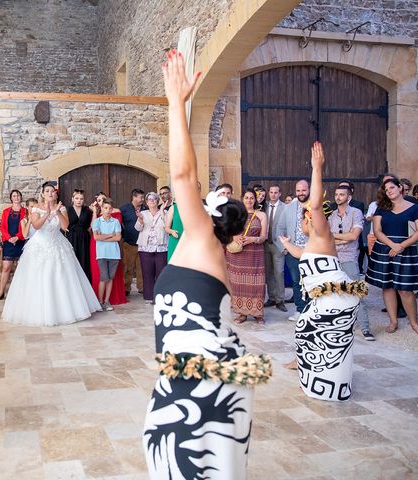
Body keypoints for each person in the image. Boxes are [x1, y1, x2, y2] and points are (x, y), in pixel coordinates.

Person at [143, 50, 271, 479]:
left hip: (200, 381)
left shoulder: (200, 239)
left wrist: (176, 106)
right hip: (194, 374)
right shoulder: (198, 247)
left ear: (210, 216)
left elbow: (182, 177)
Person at [279, 142, 367, 401]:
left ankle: (319, 380)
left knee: (308, 329)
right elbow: (301, 255)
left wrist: (317, 168)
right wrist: (286, 244)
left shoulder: (322, 231)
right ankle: (315, 377)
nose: (305, 221)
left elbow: (315, 204)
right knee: (311, 332)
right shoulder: (313, 244)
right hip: (332, 297)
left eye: (306, 218)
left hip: (336, 297)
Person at [2, 182, 101, 326]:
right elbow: (36, 226)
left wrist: (57, 212)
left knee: (61, 275)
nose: (50, 193)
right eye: (47, 191)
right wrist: (47, 214)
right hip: (39, 244)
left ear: (55, 194)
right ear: (42, 194)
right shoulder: (36, 208)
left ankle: (64, 310)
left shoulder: (61, 207)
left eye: (52, 191)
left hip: (57, 243)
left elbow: (65, 226)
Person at [365, 177, 418, 334]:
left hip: (406, 250)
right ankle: (393, 321)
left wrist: (401, 246)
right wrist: (392, 245)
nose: (389, 191)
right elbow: (377, 231)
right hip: (385, 249)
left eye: (392, 188)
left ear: (400, 188)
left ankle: (414, 322)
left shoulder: (415, 208)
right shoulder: (381, 208)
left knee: (405, 289)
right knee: (387, 286)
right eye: (386, 190)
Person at [329, 185, 374, 340]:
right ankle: (341, 325)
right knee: (335, 293)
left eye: (341, 194)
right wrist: (341, 237)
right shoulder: (331, 215)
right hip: (333, 258)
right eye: (336, 194)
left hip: (349, 258)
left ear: (348, 197)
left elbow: (354, 236)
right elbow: (327, 237)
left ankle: (366, 328)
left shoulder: (356, 212)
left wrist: (336, 237)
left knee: (356, 292)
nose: (338, 197)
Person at [226, 189, 267, 324]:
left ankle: (257, 314)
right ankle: (242, 314)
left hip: (255, 254)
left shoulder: (261, 215)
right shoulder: (236, 214)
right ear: (242, 199)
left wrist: (252, 240)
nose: (249, 200)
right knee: (238, 283)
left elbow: (264, 236)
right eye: (246, 198)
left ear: (255, 200)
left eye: (252, 198)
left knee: (257, 283)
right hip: (237, 255)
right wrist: (234, 236)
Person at [275, 179, 311, 322]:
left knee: (312, 281)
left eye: (303, 190)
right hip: (292, 251)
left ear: (309, 190)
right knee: (297, 282)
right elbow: (280, 228)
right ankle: (300, 310)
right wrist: (284, 248)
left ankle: (312, 310)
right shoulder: (289, 207)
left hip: (311, 251)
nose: (301, 193)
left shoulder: (315, 206)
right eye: (298, 190)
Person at [90, 193, 127, 305]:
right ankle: (100, 301)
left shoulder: (115, 222)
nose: (107, 210)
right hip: (101, 254)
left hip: (114, 254)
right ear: (101, 208)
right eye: (105, 208)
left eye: (110, 208)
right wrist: (110, 235)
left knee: (110, 278)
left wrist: (104, 237)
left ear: (112, 209)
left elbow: (118, 237)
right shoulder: (97, 222)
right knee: (103, 278)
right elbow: (96, 237)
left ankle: (107, 301)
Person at [135, 192, 168, 303]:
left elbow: (167, 226)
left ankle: (160, 297)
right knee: (147, 273)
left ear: (157, 201)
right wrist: (140, 220)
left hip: (161, 247)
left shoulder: (165, 212)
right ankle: (149, 297)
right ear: (147, 202)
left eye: (154, 199)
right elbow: (138, 228)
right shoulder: (143, 213)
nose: (152, 200)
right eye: (149, 199)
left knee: (161, 273)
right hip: (145, 247)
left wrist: (162, 212)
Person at [0, 189, 27, 301]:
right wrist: (9, 238)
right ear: (11, 198)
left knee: (21, 268)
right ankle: (1, 292)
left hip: (20, 241)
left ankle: (20, 292)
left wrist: (17, 237)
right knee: (6, 267)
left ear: (21, 197)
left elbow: (26, 227)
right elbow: (3, 227)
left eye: (18, 195)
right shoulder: (5, 211)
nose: (16, 197)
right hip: (8, 243)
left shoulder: (26, 211)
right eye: (14, 195)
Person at [263, 184, 287, 312]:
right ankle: (271, 298)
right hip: (266, 244)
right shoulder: (264, 206)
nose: (273, 194)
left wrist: (286, 244)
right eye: (271, 192)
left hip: (279, 244)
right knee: (268, 272)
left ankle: (280, 300)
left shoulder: (285, 207)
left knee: (279, 272)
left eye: (276, 192)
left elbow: (288, 225)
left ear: (280, 194)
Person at [120, 189, 145, 295]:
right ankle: (126, 288)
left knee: (142, 268)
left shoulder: (145, 209)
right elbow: (118, 222)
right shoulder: (124, 209)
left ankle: (142, 288)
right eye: (141, 197)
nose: (143, 200)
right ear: (134, 197)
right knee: (127, 267)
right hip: (129, 243)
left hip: (143, 244)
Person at [65, 189, 92, 282]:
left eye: (81, 198)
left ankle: (85, 283)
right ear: (72, 199)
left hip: (84, 238)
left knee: (84, 260)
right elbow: (63, 224)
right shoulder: (67, 210)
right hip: (71, 237)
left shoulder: (87, 210)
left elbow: (90, 226)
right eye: (76, 198)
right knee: (72, 259)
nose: (79, 200)